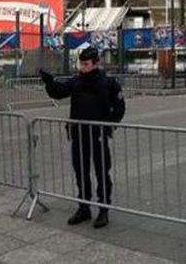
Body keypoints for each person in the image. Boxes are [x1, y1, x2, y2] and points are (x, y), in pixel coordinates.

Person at [39, 46, 125, 229]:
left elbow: (119, 107)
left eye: (86, 64)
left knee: (102, 172)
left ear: (95, 63)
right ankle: (84, 207)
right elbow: (60, 92)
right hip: (79, 134)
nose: (82, 67)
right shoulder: (77, 81)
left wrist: (109, 126)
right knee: (81, 172)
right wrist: (49, 82)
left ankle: (103, 209)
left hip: (98, 135)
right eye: (81, 64)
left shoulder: (108, 82)